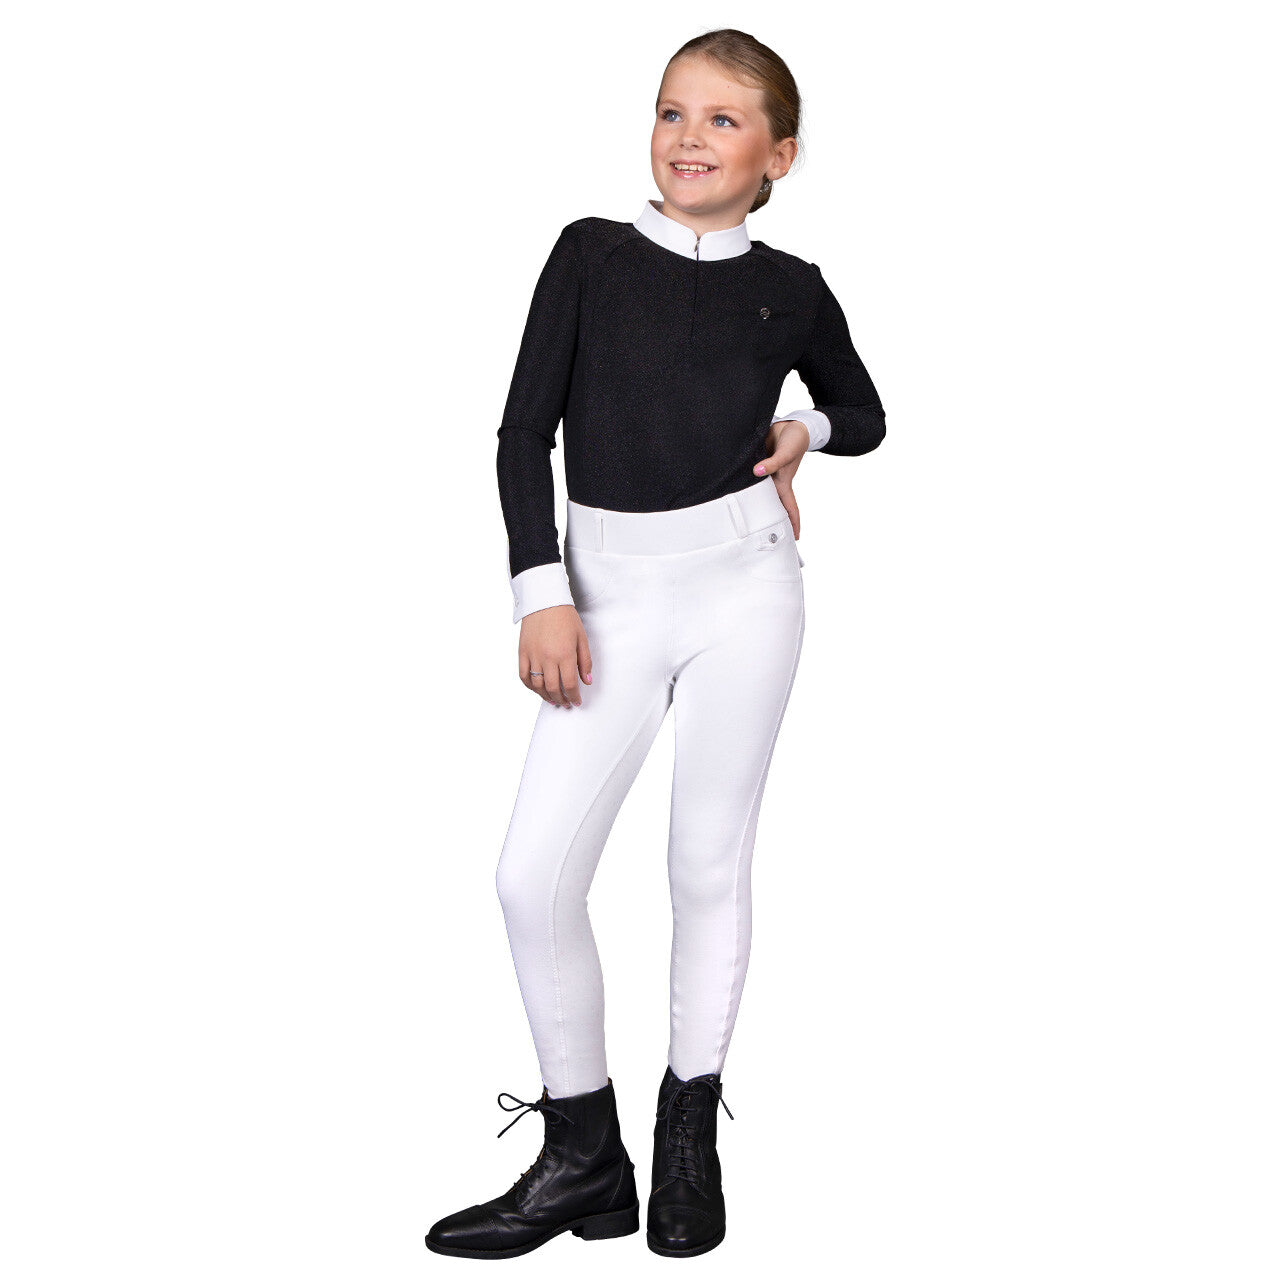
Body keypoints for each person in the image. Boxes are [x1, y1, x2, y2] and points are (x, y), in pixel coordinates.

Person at [426, 28, 886, 1260]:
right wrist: (540, 591)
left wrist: (802, 433)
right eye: (671, 111)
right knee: (531, 874)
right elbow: (521, 432)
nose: (688, 137)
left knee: (704, 860)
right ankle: (584, 1154)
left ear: (777, 155)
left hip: (745, 586)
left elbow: (865, 411)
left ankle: (688, 1134)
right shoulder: (588, 256)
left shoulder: (791, 286)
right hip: (603, 596)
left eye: (722, 120)